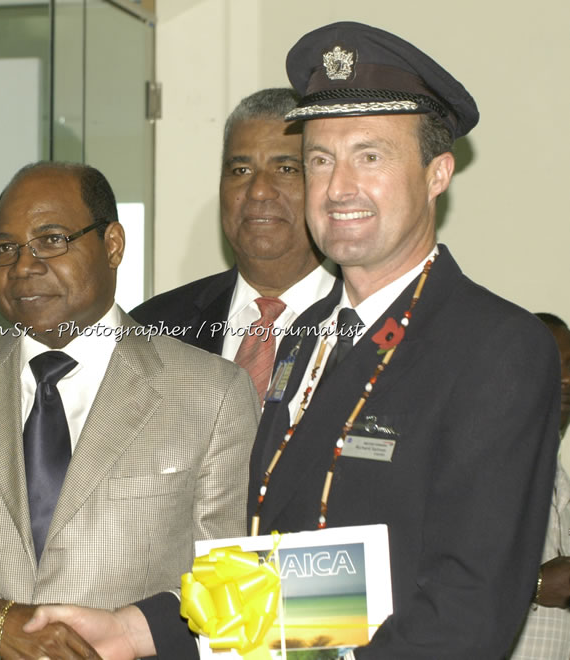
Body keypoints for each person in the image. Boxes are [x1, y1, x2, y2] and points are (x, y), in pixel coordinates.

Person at [242, 22, 561, 658]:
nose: (337, 189)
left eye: (370, 156)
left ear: (437, 173)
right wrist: (150, 629)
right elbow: (308, 567)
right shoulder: (305, 334)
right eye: (320, 161)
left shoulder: (497, 348)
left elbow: (466, 612)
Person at [0, 161, 259, 660]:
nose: (24, 266)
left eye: (51, 239)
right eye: (7, 247)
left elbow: (235, 580)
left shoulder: (213, 392)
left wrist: (132, 633)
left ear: (113, 244)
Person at [131, 88, 335, 403]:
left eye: (286, 169)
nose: (259, 191)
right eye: (241, 171)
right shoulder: (152, 330)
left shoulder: (373, 320)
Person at [509, 313, 570, 659]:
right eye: (550, 362)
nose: (565, 378)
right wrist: (535, 585)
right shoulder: (476, 475)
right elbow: (424, 575)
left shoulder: (564, 488)